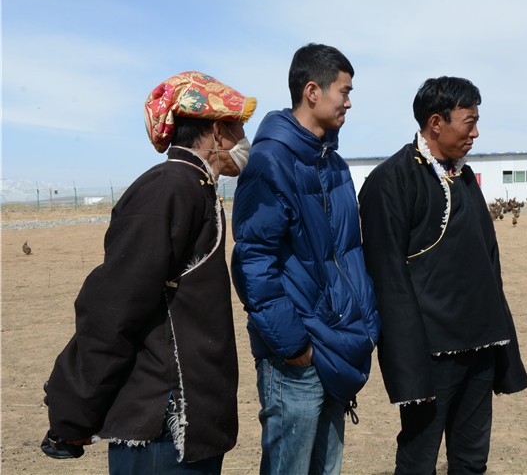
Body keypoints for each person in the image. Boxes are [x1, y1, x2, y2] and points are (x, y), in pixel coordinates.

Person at [43, 71, 257, 473]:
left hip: (190, 419)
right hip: (160, 421)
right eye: (239, 128)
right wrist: (73, 412)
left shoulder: (195, 186)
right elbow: (113, 307)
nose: (246, 140)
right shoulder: (168, 187)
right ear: (217, 130)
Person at [358, 76, 527, 475]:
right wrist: (407, 363)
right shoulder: (390, 181)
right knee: (418, 460)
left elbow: (489, 264)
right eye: (469, 122)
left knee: (471, 460)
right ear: (436, 123)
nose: (476, 133)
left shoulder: (463, 177)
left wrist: (501, 341)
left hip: (481, 347)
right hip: (429, 354)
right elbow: (387, 279)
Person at [230, 43, 380, 475]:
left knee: (327, 468)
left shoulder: (334, 166)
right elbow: (253, 262)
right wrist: (294, 344)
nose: (349, 103)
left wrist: (363, 322)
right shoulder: (270, 162)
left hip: (338, 345)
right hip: (295, 356)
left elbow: (346, 254)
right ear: (312, 91)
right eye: (344, 92)